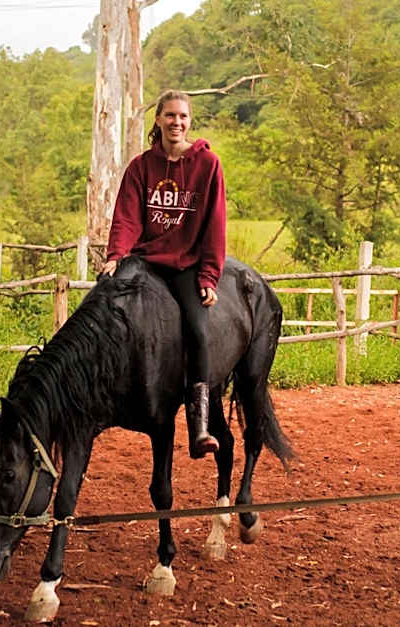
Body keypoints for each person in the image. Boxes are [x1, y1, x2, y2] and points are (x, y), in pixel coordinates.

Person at [100, 89, 226, 459]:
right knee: (108, 308)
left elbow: (215, 225)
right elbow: (126, 217)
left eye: (183, 116)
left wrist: (208, 276)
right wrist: (116, 256)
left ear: (190, 120)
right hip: (146, 262)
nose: (177, 122)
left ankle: (199, 425)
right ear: (158, 120)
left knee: (198, 331)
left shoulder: (208, 165)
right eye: (170, 115)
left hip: (185, 265)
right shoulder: (141, 167)